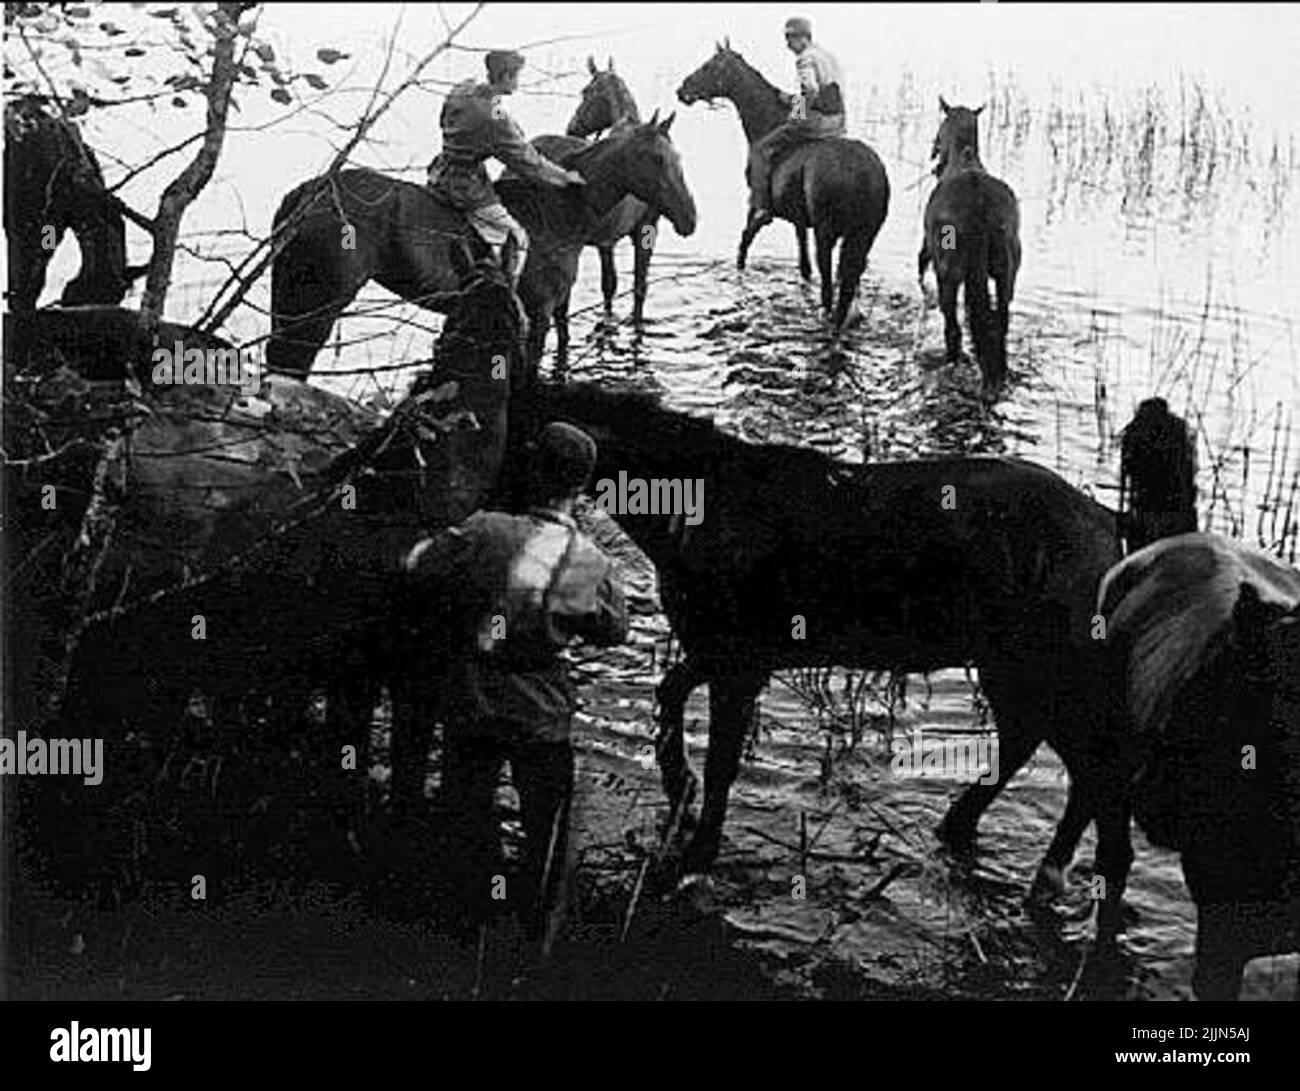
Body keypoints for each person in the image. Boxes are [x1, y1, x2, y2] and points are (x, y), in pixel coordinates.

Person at [403, 422, 628, 959]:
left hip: (473, 697)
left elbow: (416, 566)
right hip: (543, 709)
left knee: (466, 808)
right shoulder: (591, 561)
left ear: (530, 470)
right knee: (544, 828)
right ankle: (533, 932)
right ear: (582, 485)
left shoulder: (484, 530)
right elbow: (614, 630)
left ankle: (464, 922)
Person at [427, 50, 587, 287]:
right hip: (466, 186)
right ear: (505, 76)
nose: (517, 81)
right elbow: (525, 160)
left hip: (440, 170)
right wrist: (563, 176)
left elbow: (448, 120)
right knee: (516, 237)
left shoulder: (463, 90)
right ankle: (505, 294)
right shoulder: (494, 118)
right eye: (516, 76)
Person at [746, 16, 846, 229]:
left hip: (816, 122)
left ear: (803, 38)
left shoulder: (804, 59)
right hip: (837, 122)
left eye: (790, 38)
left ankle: (761, 206)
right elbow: (828, 93)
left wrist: (797, 112)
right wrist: (790, 99)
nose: (788, 44)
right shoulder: (827, 56)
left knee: (760, 149)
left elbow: (811, 90)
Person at [1118, 396, 1198, 554]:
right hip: (1180, 521)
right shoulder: (1180, 432)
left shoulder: (1135, 433)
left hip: (1146, 518)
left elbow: (1127, 479)